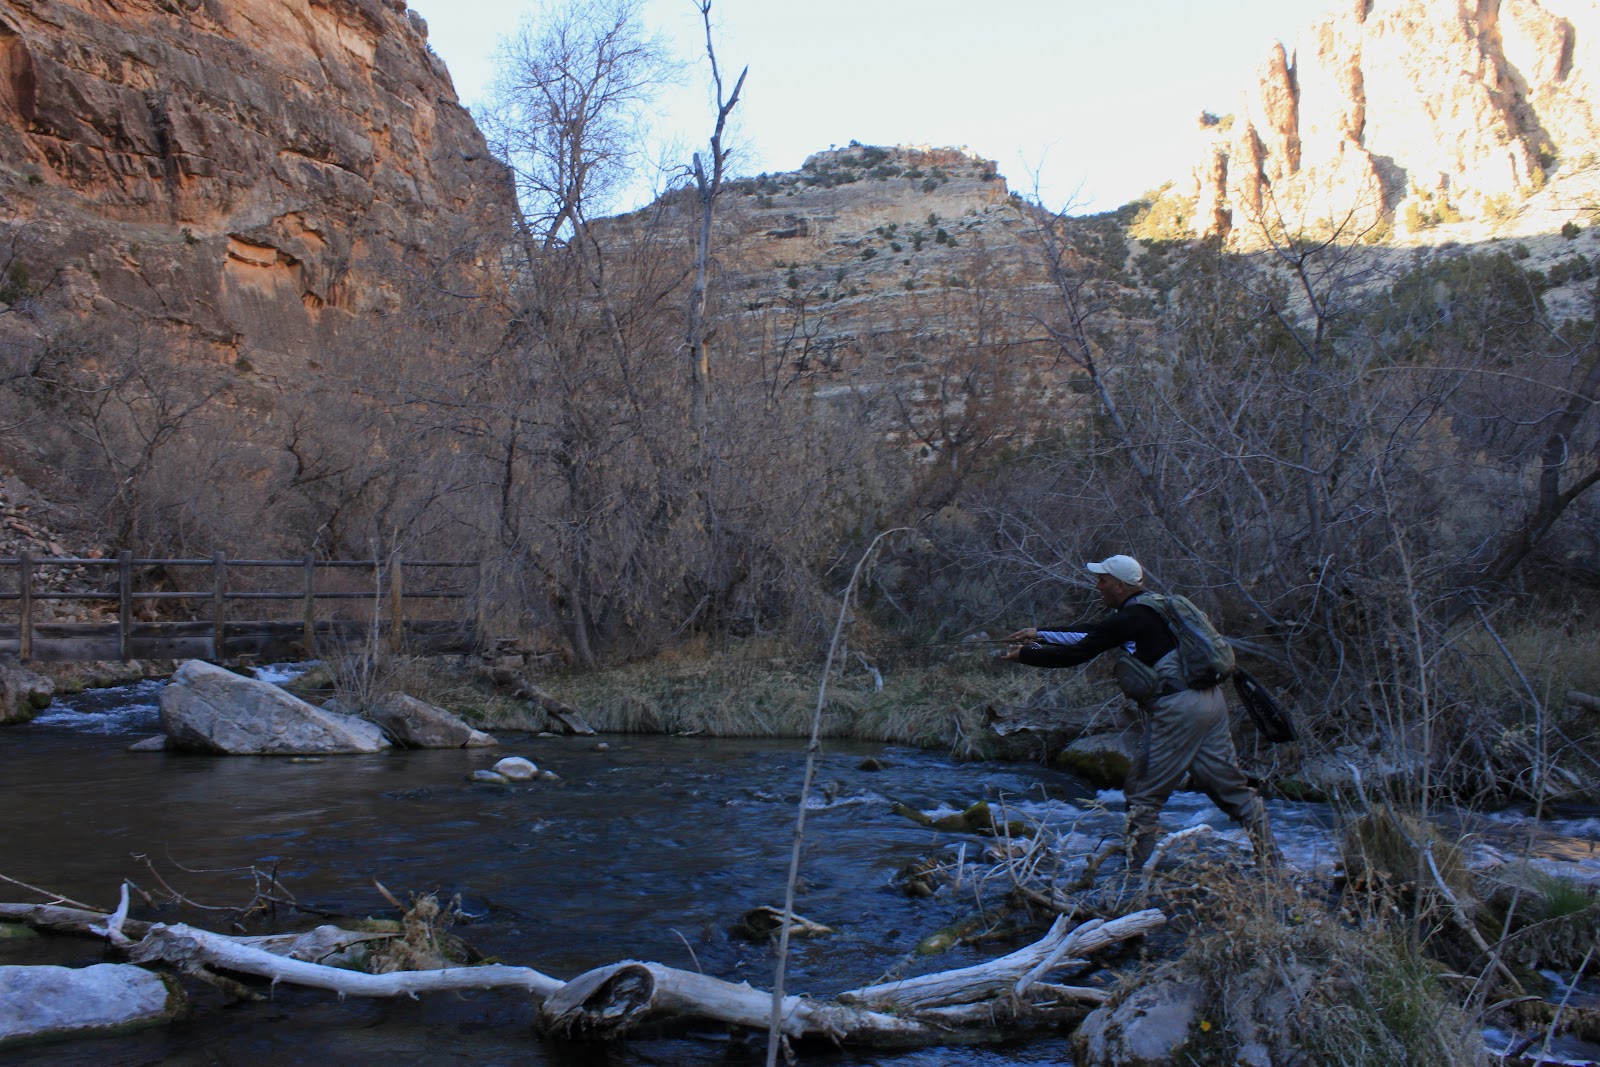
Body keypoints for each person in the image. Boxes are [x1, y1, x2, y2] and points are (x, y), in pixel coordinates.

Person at [1004, 554, 1278, 870]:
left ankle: (1137, 877)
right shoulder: (1155, 607)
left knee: (1142, 795)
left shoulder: (1129, 618)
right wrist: (1039, 633)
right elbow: (1097, 633)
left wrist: (1026, 655)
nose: (1098, 586)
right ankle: (1273, 864)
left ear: (1119, 586)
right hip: (1211, 702)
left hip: (1178, 709)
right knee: (1228, 786)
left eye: (1102, 580)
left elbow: (1078, 653)